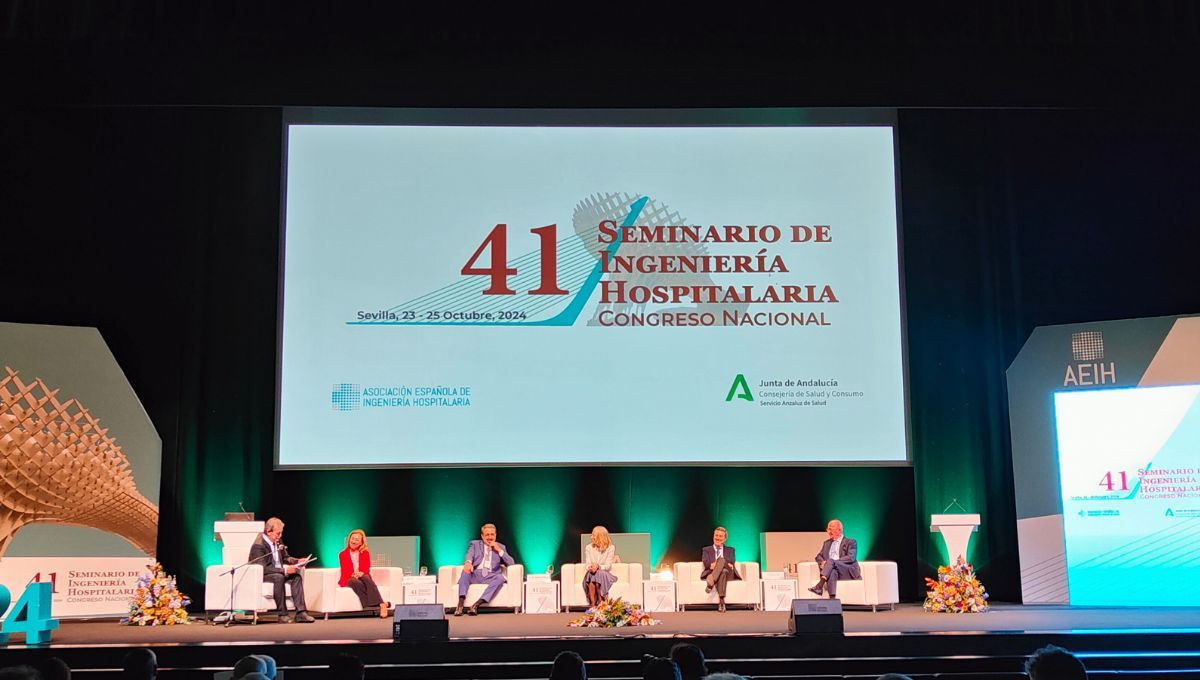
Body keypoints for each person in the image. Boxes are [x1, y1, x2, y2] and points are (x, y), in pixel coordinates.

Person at [248, 516, 315, 623]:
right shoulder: (258, 545)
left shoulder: (278, 541)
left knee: (296, 577)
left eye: (281, 533)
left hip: (278, 572)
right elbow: (262, 568)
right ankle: (282, 614)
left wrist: (297, 561)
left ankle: (301, 613)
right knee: (279, 577)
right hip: (265, 575)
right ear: (268, 532)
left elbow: (285, 557)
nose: (280, 536)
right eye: (278, 533)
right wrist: (284, 571)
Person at [454, 522, 515, 616]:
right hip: (475, 574)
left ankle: (476, 605)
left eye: (492, 534)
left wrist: (499, 550)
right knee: (465, 571)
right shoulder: (474, 544)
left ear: (495, 535)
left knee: (501, 578)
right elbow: (469, 555)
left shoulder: (501, 547)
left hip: (490, 575)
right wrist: (468, 563)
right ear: (482, 536)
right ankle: (460, 605)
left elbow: (511, 564)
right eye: (487, 535)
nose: (490, 537)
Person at [339, 529, 390, 618]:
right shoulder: (342, 554)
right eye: (352, 538)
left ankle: (381, 605)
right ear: (349, 539)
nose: (354, 541)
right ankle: (382, 604)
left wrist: (360, 573)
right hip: (348, 578)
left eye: (357, 540)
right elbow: (345, 571)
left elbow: (366, 568)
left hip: (363, 578)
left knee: (366, 577)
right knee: (354, 581)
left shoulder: (365, 553)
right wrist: (354, 574)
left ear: (361, 543)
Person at [808, 518, 861, 599]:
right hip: (832, 570)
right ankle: (832, 599)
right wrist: (822, 562)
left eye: (830, 529)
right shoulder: (827, 543)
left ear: (839, 530)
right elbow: (818, 556)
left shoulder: (850, 542)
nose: (828, 531)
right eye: (827, 529)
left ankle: (820, 585)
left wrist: (832, 562)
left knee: (831, 561)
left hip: (847, 570)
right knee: (832, 571)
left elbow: (851, 558)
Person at [700, 526, 740, 612]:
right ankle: (722, 601)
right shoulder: (706, 550)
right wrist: (722, 565)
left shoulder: (730, 550)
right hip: (719, 572)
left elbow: (731, 562)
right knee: (723, 571)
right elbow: (707, 564)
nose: (717, 538)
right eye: (716, 535)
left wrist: (718, 564)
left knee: (722, 560)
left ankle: (711, 582)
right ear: (713, 536)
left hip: (729, 574)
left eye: (720, 536)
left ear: (725, 539)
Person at [582, 525, 618, 607]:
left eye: (593, 535)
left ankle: (593, 604)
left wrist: (598, 566)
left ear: (600, 537)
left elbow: (607, 566)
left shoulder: (610, 548)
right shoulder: (589, 547)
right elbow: (587, 564)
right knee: (593, 574)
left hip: (605, 574)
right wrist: (591, 567)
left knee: (598, 573)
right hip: (591, 573)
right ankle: (600, 603)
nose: (591, 537)